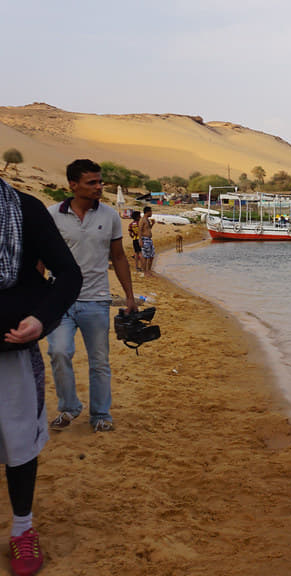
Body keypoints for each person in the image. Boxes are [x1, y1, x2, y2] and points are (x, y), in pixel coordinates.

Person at [1, 177, 83, 576]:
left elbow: (68, 275)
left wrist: (41, 319)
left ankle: (22, 529)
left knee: (19, 444)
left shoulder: (24, 209)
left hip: (10, 354)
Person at [47, 159, 136, 433]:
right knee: (59, 352)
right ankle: (69, 407)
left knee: (99, 361)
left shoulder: (109, 216)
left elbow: (119, 257)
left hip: (96, 300)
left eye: (100, 182)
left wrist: (130, 296)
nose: (99, 187)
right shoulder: (52, 214)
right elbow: (41, 258)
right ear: (73, 185)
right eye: (92, 182)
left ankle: (100, 414)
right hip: (59, 299)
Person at [139, 205, 157, 276]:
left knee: (151, 255)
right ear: (148, 212)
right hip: (144, 239)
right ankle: (145, 271)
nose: (151, 213)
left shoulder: (147, 220)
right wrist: (140, 240)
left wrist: (152, 224)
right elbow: (140, 230)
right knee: (145, 256)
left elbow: (148, 229)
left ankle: (149, 270)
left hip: (149, 239)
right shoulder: (142, 220)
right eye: (151, 211)